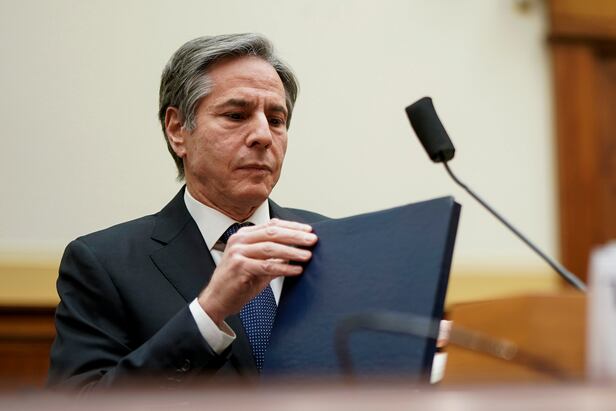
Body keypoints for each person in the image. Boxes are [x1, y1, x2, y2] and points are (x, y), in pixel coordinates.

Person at [47, 33, 326, 391]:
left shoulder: (328, 244)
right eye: (236, 115)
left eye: (276, 119)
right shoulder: (105, 265)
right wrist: (208, 313)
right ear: (178, 130)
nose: (263, 135)